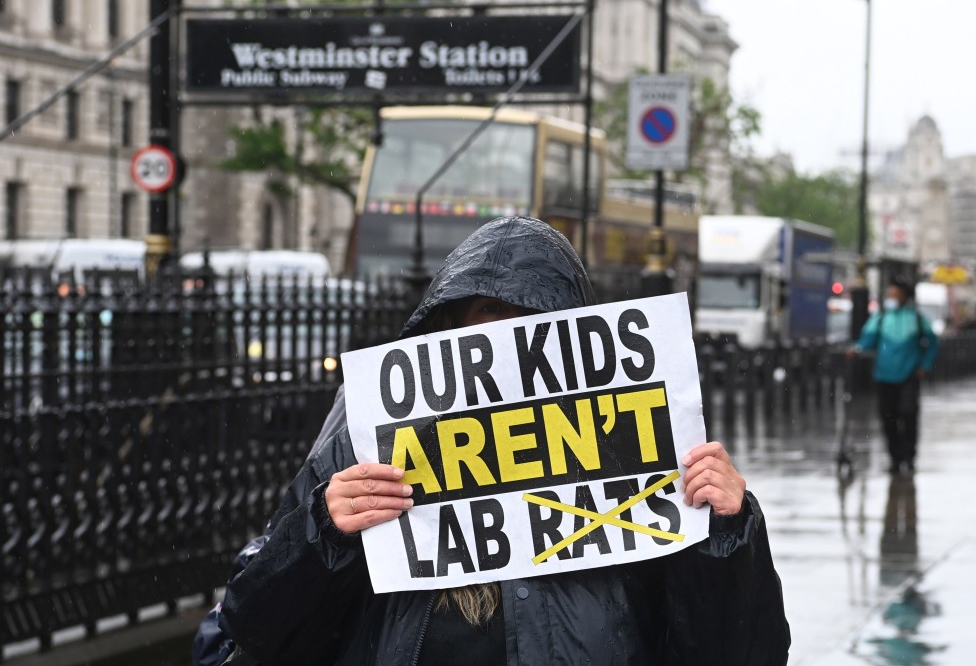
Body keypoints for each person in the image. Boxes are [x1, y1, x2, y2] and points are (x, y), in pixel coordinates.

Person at [213, 217, 790, 665]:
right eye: (490, 311)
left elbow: (739, 654)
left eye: (532, 316)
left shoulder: (632, 432)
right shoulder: (367, 429)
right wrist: (324, 531)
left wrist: (727, 535)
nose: (509, 333)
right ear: (452, 325)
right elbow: (257, 626)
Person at [852, 275, 939, 475]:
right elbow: (866, 341)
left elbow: (932, 344)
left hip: (909, 376)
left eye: (895, 294)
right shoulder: (881, 318)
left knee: (908, 416)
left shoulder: (917, 320)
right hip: (884, 376)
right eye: (889, 294)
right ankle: (895, 458)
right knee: (888, 418)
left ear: (904, 297)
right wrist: (856, 349)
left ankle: (909, 457)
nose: (890, 297)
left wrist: (924, 365)